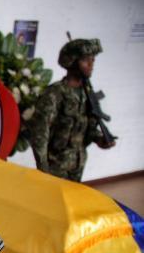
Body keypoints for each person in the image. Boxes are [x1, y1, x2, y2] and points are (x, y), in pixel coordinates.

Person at [26, 38, 115, 182]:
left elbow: (88, 125)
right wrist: (43, 169)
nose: (91, 65)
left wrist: (99, 138)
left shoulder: (87, 93)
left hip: (78, 163)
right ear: (72, 62)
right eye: (86, 60)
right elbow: (39, 134)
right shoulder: (55, 93)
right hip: (55, 167)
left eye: (93, 60)